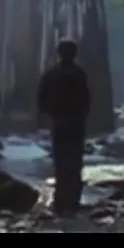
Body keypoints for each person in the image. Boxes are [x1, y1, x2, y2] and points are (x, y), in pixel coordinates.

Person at [37, 37, 90, 215]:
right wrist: (82, 115)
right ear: (75, 54)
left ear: (58, 53)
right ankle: (73, 199)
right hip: (76, 122)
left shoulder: (51, 74)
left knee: (60, 161)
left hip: (59, 122)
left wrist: (50, 113)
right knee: (75, 160)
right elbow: (86, 100)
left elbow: (41, 99)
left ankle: (60, 200)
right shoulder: (80, 74)